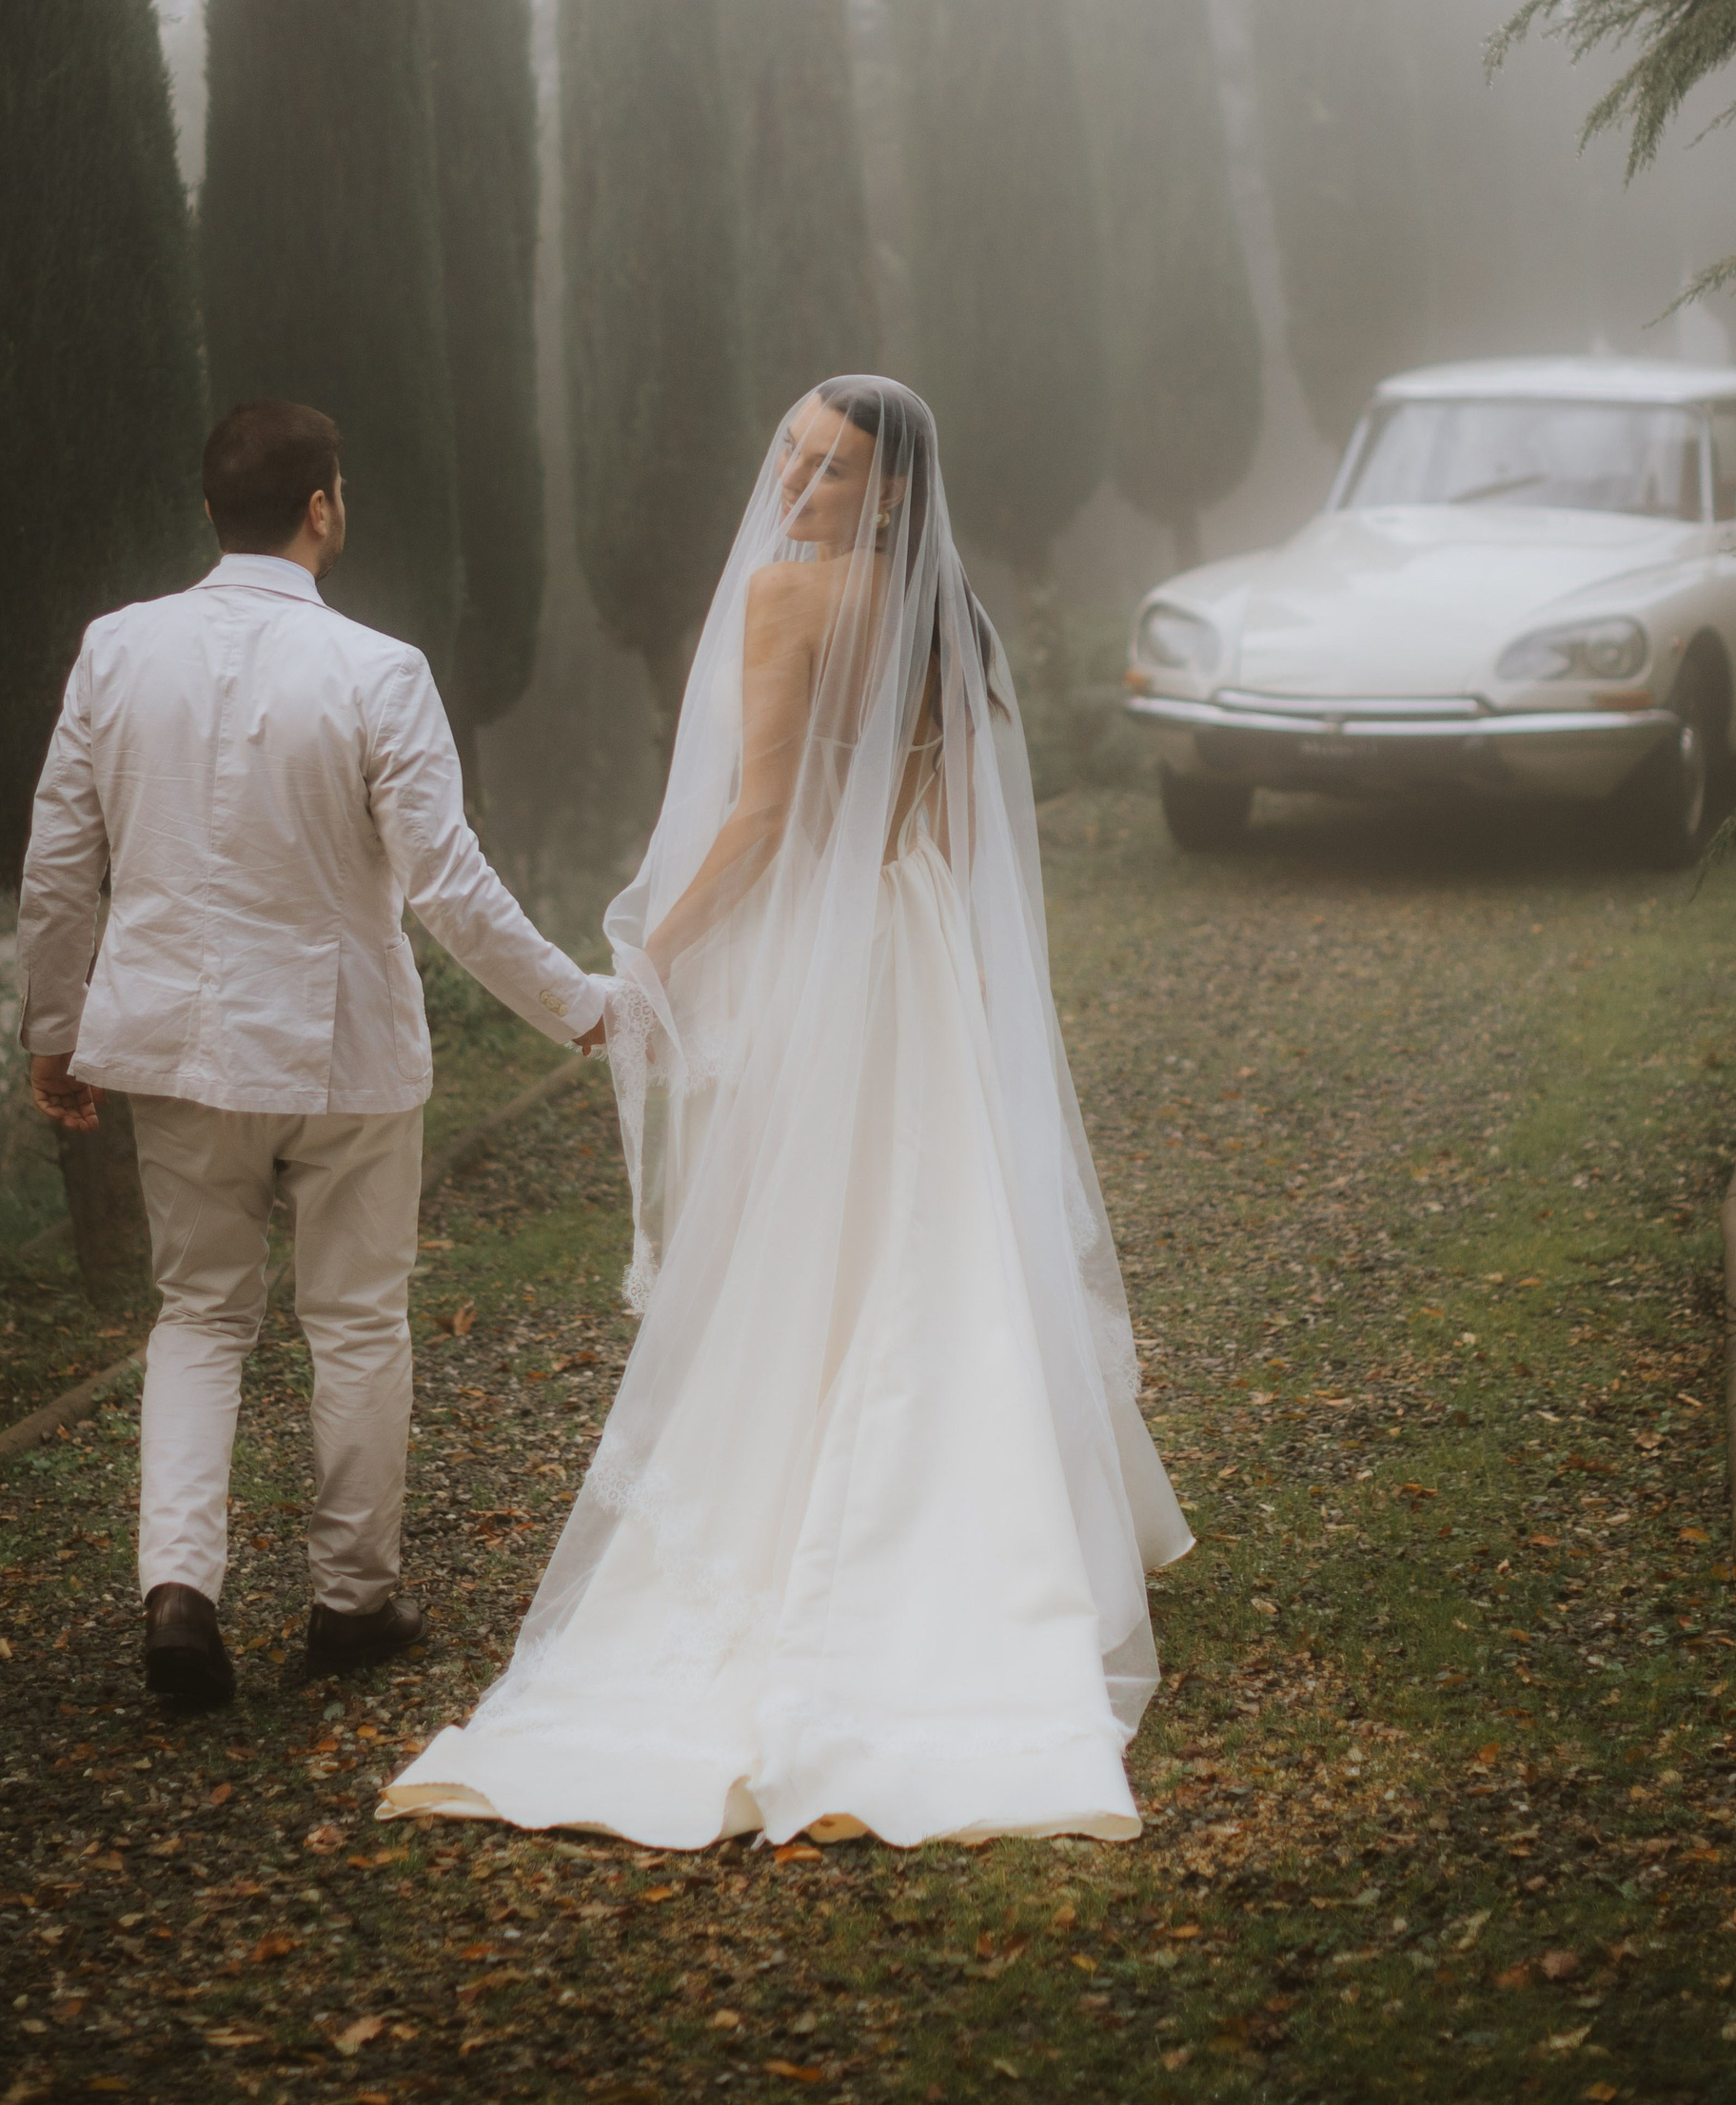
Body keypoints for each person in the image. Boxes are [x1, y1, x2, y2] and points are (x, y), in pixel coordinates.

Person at [383, 378, 1189, 1848]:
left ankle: (829, 1521)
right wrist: (967, 974)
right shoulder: (950, 611)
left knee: (817, 1236)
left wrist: (648, 957)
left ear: (887, 490)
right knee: (934, 1228)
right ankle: (987, 1538)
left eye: (830, 469)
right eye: (792, 460)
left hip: (833, 953)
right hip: (921, 945)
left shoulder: (784, 600)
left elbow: (758, 821)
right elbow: (955, 829)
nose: (799, 486)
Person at [17, 401, 607, 1713]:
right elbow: (447, 887)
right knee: (352, 1322)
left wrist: (58, 1032)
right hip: (341, 1057)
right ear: (324, 508)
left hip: (171, 1053)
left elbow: (61, 862)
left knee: (199, 1318)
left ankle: (180, 1594)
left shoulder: (115, 653)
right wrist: (576, 1004)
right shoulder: (379, 671)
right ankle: (352, 1604)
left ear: (209, 512)